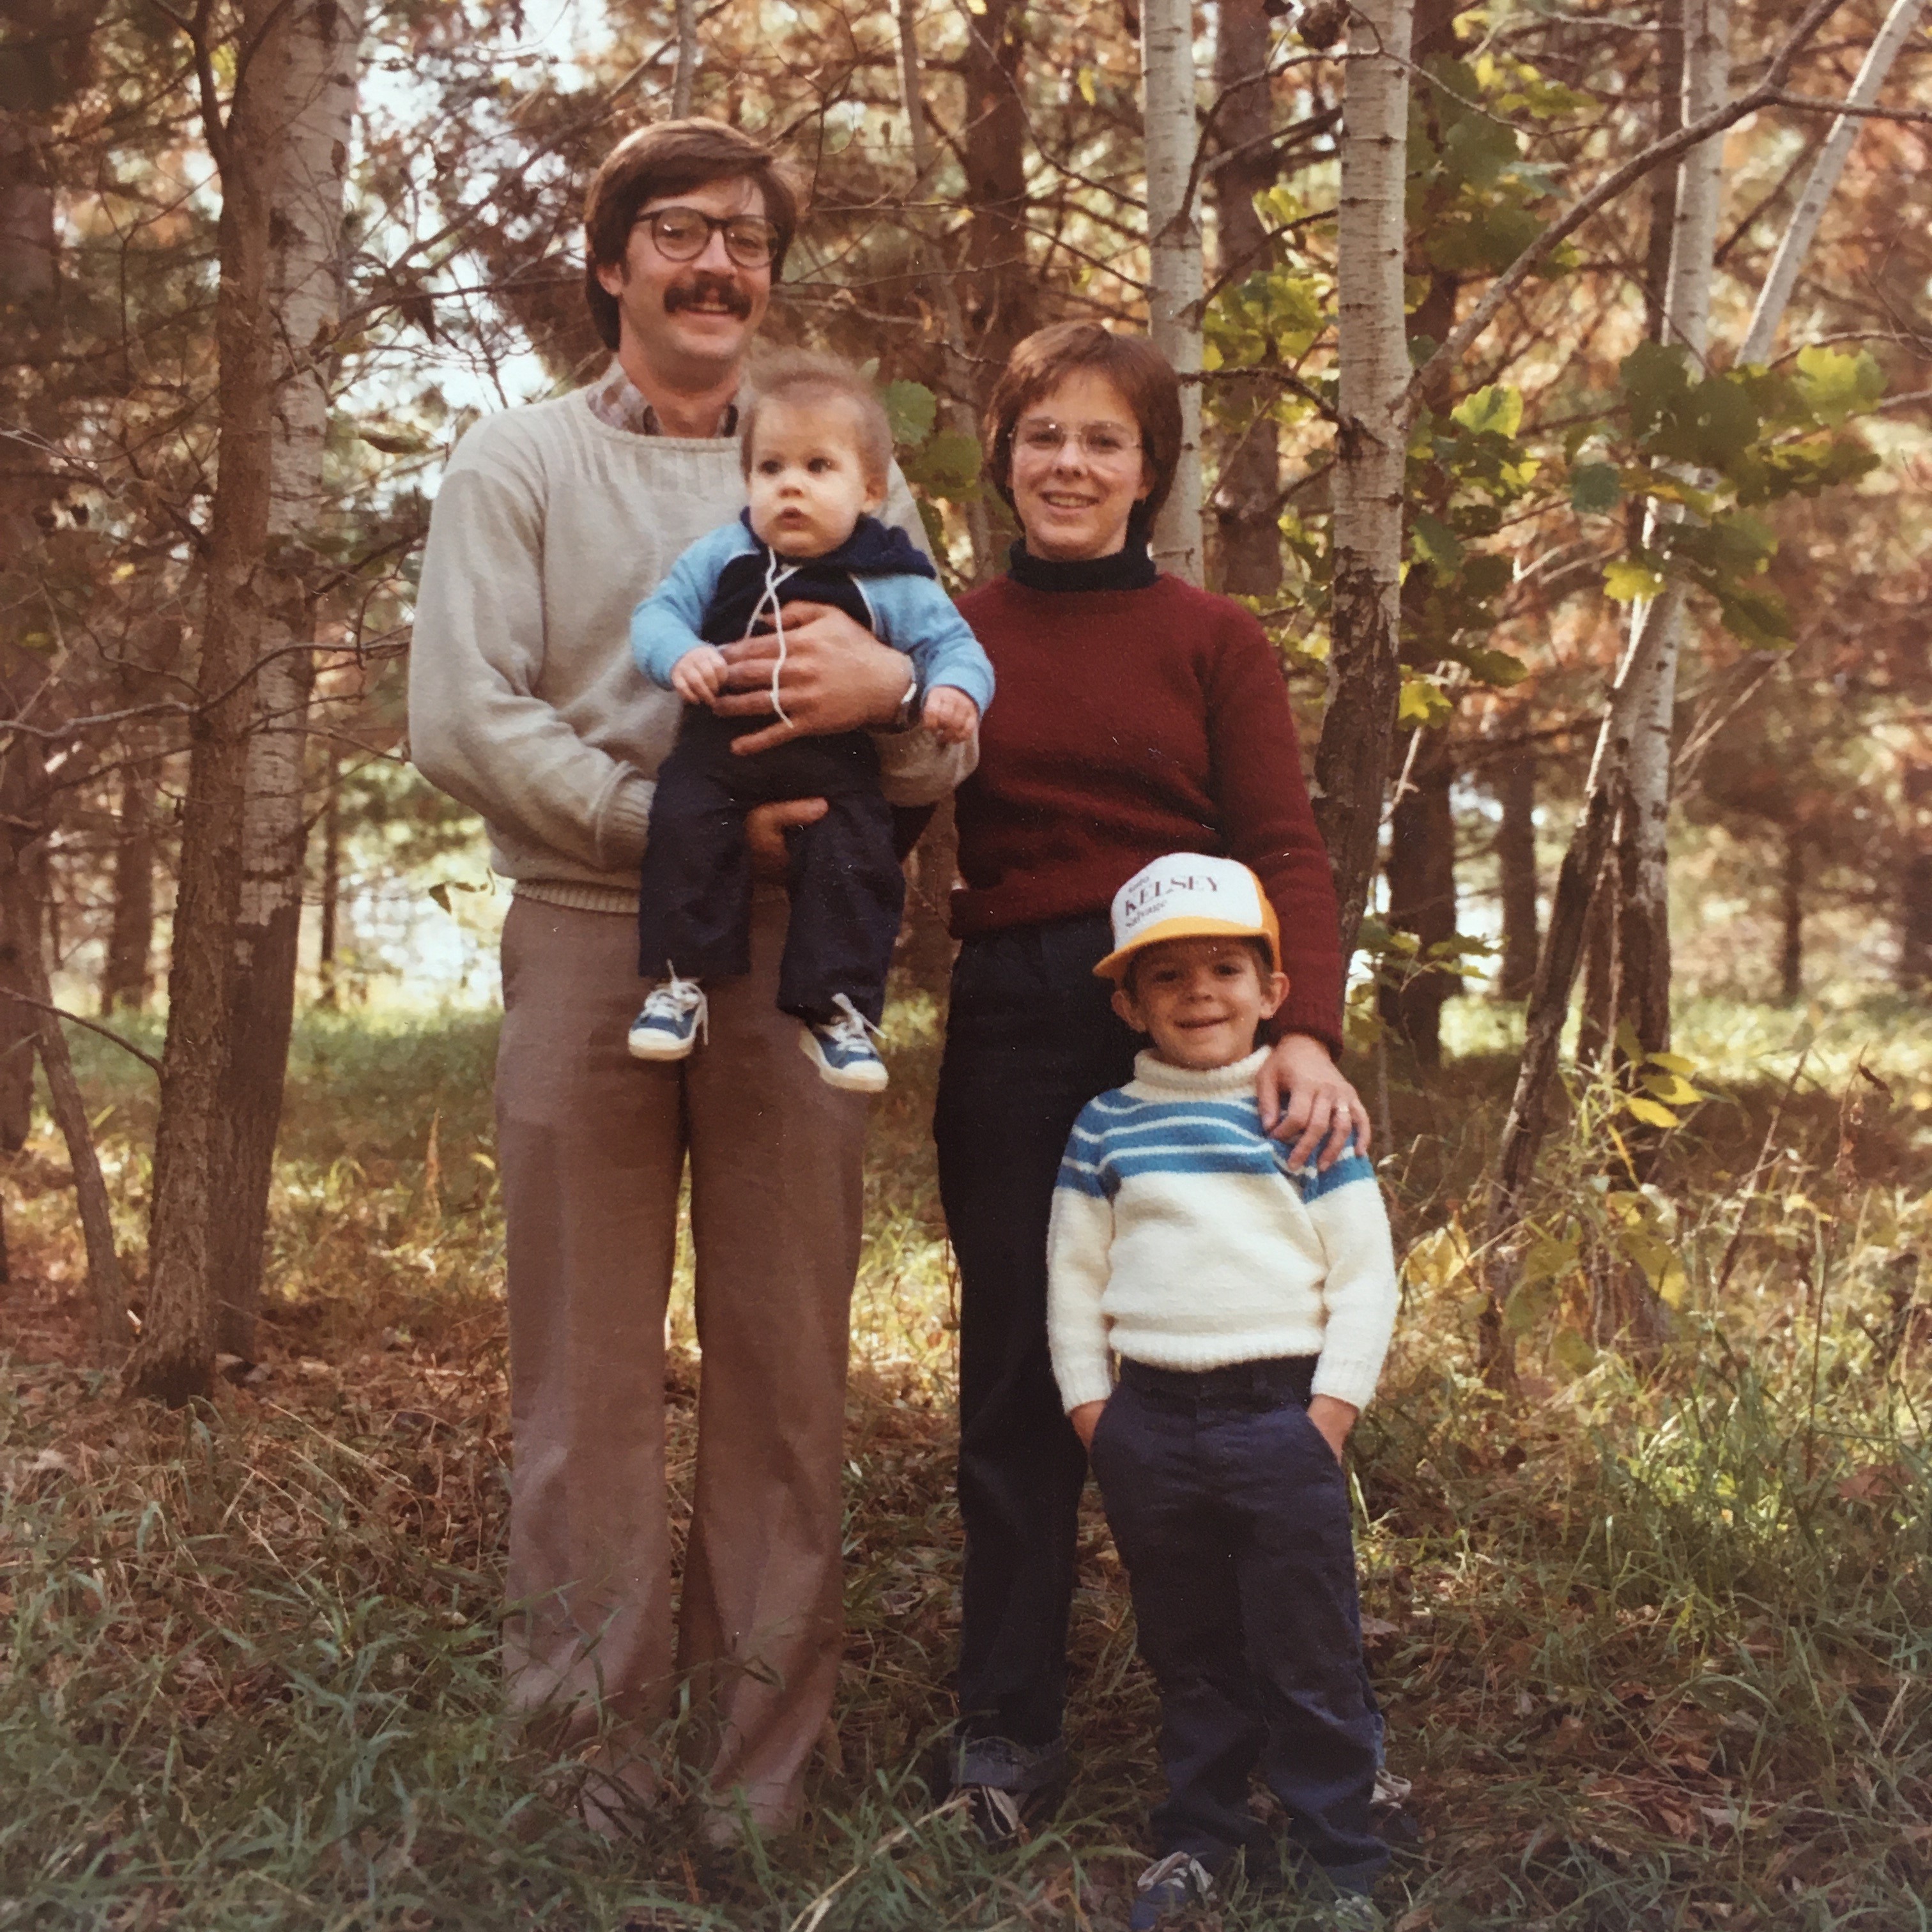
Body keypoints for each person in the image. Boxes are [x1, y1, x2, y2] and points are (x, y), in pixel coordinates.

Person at [407, 118, 974, 1839]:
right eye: (674, 232)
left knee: (788, 1375)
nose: (714, 262)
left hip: (805, 959)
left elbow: (944, 726)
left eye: (743, 236)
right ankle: (584, 1799)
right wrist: (670, 822)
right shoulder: (520, 462)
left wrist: (895, 707)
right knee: (582, 1388)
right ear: (611, 266)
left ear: (772, 277)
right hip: (595, 936)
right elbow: (462, 714)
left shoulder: (851, 466)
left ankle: (752, 1798)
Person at [931, 321, 1374, 1837]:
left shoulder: (1214, 639)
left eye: (1104, 440)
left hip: (1192, 1022)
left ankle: (1271, 1723)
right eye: (1043, 433)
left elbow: (1287, 847)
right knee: (1018, 1376)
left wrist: (1300, 1027)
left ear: (1150, 471)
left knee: (1233, 1368)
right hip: (1013, 1012)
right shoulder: (950, 629)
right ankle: (1007, 1729)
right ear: (1003, 453)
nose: (1070, 463)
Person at [1048, 853, 1398, 1930]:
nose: (1198, 992)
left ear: (1270, 990)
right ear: (1126, 1001)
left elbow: (1364, 1271)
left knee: (1304, 1644)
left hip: (1280, 1413)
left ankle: (1339, 1849)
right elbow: (1072, 1273)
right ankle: (1201, 1830)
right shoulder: (1106, 1122)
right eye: (1165, 976)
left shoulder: (1297, 1111)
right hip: (1148, 1418)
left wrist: (1326, 1411)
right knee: (1187, 1640)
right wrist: (1093, 1412)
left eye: (1223, 968)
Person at [628, 351, 994, 1093]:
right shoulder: (724, 553)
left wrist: (953, 693)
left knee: (855, 860)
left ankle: (839, 1012)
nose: (790, 485)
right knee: (684, 829)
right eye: (771, 468)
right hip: (716, 757)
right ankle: (678, 984)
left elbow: (957, 648)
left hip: (832, 771)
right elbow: (656, 615)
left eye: (818, 467)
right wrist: (680, 655)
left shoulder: (892, 576)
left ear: (870, 489)